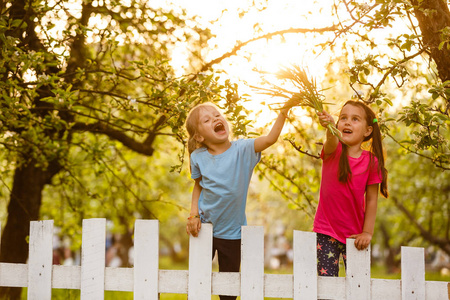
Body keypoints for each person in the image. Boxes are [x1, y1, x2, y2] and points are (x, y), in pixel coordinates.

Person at [185, 101, 293, 300]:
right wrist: (193, 214)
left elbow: (270, 139)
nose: (215, 119)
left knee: (229, 289)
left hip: (232, 233)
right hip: (204, 228)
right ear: (199, 136)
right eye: (207, 120)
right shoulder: (198, 157)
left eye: (217, 115)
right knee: (198, 284)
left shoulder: (243, 149)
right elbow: (198, 186)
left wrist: (283, 113)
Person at [314, 100, 388, 277]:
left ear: (368, 130)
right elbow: (330, 139)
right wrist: (330, 127)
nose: (347, 122)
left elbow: (371, 200)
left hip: (355, 237)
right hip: (326, 232)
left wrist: (367, 232)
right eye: (343, 118)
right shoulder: (334, 150)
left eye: (355, 119)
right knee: (328, 289)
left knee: (358, 288)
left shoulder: (371, 162)